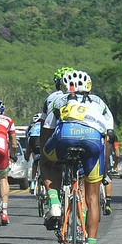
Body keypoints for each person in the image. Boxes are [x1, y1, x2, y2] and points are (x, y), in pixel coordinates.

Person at [41, 69, 115, 244]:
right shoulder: (100, 103)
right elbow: (107, 137)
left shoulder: (58, 101)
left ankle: (55, 202)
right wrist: (105, 170)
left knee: (46, 163)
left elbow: (46, 133)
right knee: (92, 197)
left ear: (65, 87)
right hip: (92, 142)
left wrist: (46, 156)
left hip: (65, 137)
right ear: (90, 89)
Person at [39, 67, 75, 227]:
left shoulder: (53, 98)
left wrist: (44, 152)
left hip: (59, 137)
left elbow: (45, 127)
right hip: (85, 139)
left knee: (49, 165)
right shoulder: (90, 99)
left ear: (57, 85)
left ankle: (54, 202)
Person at [103, 131, 121, 215]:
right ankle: (108, 204)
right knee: (108, 179)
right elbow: (117, 154)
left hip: (95, 155)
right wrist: (115, 165)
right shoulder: (112, 134)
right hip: (107, 158)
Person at [25, 112, 42, 194]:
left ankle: (33, 182)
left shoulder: (30, 127)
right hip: (43, 139)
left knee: (35, 161)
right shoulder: (47, 125)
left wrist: (27, 156)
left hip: (33, 140)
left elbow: (28, 143)